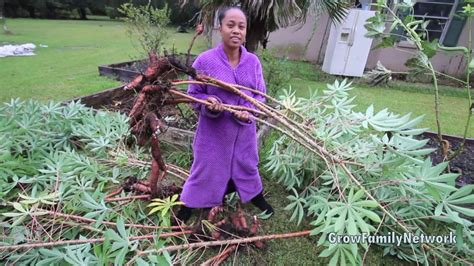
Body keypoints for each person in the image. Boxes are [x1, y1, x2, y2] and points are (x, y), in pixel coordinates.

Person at [176, 6, 273, 223]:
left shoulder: (253, 63)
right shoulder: (205, 61)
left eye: (241, 26)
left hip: (244, 132)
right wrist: (208, 104)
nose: (236, 30)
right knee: (206, 167)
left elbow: (261, 97)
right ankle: (189, 203)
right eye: (231, 25)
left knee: (247, 164)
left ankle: (255, 197)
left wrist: (249, 111)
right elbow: (194, 94)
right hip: (214, 133)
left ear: (246, 31)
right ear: (220, 28)